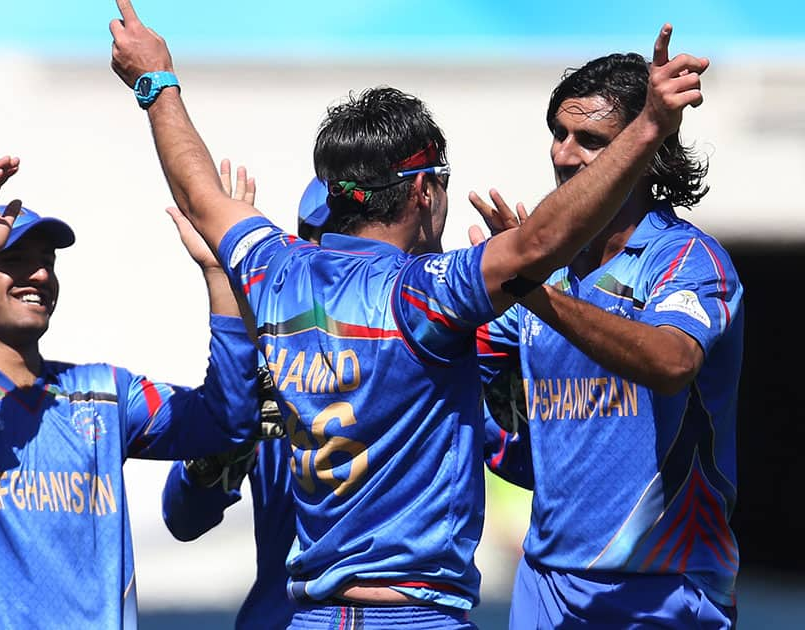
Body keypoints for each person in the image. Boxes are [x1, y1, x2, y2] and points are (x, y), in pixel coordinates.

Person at [110, 4, 708, 626]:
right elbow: (536, 248)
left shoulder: (273, 274)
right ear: (425, 193)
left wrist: (157, 83)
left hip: (311, 616)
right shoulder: (425, 295)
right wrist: (649, 129)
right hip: (416, 616)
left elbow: (200, 194)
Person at [0, 155, 260, 629]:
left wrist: (221, 276)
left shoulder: (103, 392)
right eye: (13, 261)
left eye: (47, 263)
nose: (40, 276)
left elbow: (228, 421)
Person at [473, 51, 743, 628]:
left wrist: (531, 292)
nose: (564, 154)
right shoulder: (544, 269)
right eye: (559, 133)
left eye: (590, 139)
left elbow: (673, 361)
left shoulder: (688, 260)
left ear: (643, 153)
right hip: (544, 584)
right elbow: (455, 370)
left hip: (662, 590)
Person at [160, 175, 329, 630]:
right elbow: (183, 516)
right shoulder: (268, 367)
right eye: (321, 245)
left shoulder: (427, 355)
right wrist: (229, 444)